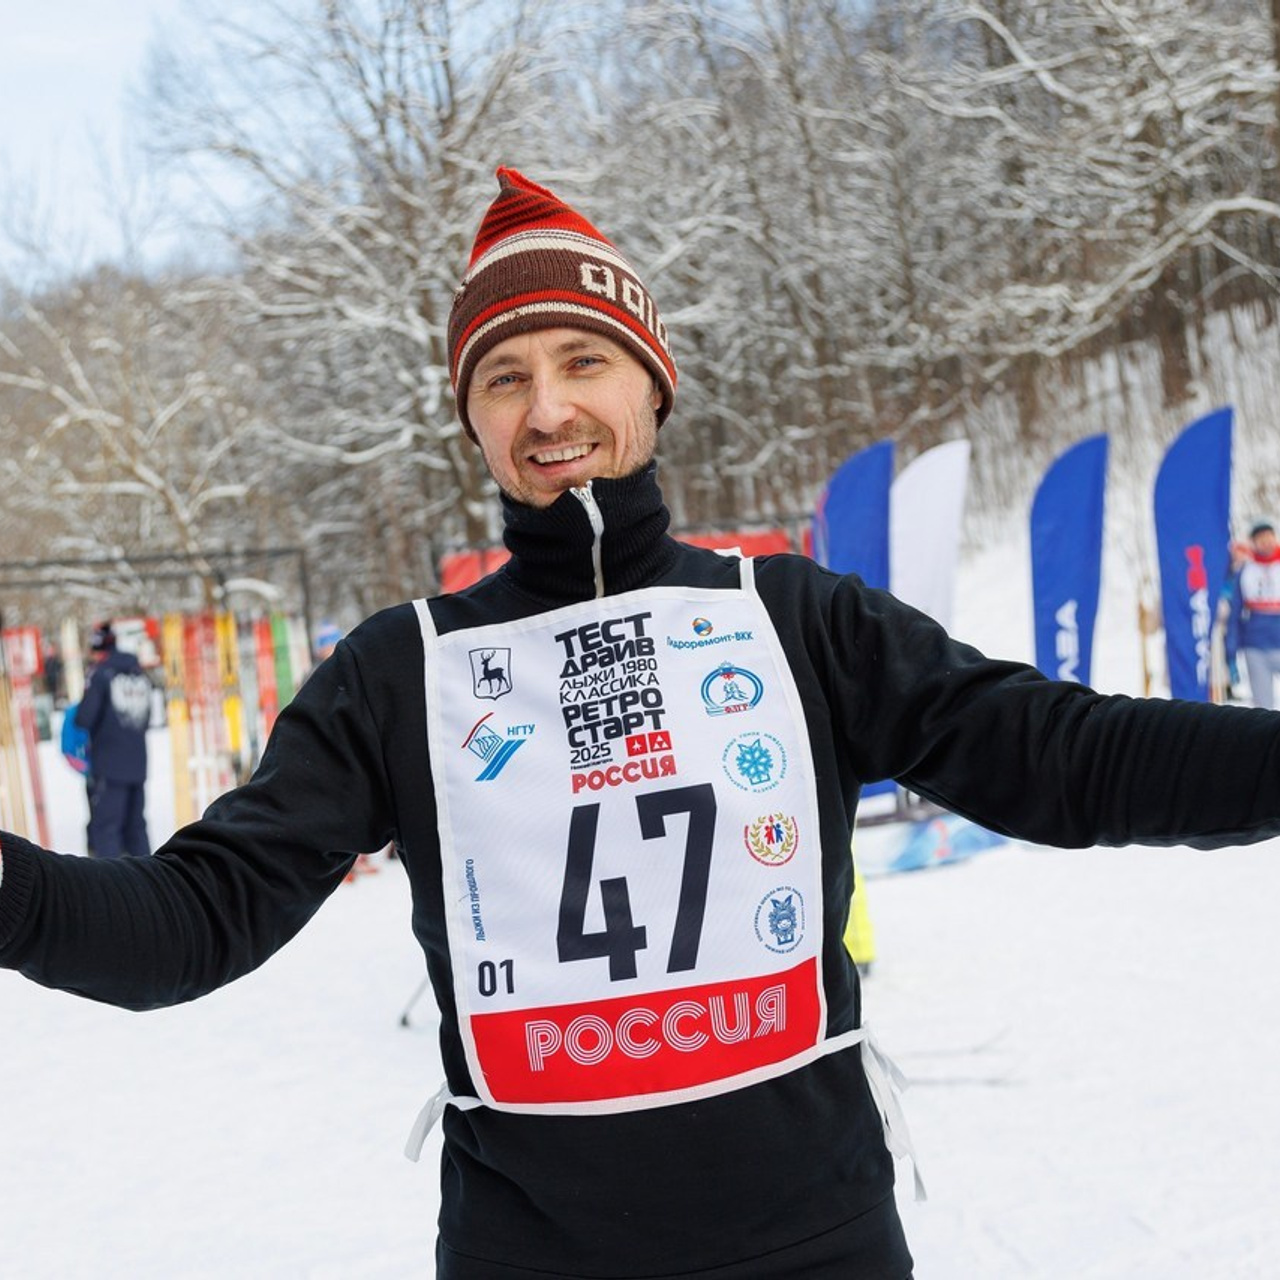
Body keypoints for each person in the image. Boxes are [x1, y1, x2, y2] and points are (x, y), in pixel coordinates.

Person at [3, 168, 1280, 1279]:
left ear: (651, 384)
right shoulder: (404, 672)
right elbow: (189, 921)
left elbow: (1067, 757)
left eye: (581, 361)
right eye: (502, 378)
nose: (546, 409)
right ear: (475, 424)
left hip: (817, 1244)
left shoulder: (789, 616)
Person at [73, 621, 152, 859]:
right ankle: (148, 885)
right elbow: (146, 719)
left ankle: (109, 891)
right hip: (138, 764)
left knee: (106, 829)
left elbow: (85, 718)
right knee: (136, 828)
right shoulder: (139, 673)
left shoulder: (101, 674)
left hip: (109, 766)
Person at [1223, 520, 1280, 709]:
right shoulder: (1245, 571)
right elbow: (1235, 613)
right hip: (1255, 645)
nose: (1266, 542)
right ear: (1254, 543)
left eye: (1268, 537)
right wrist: (1231, 647)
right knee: (1263, 705)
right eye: (1260, 539)